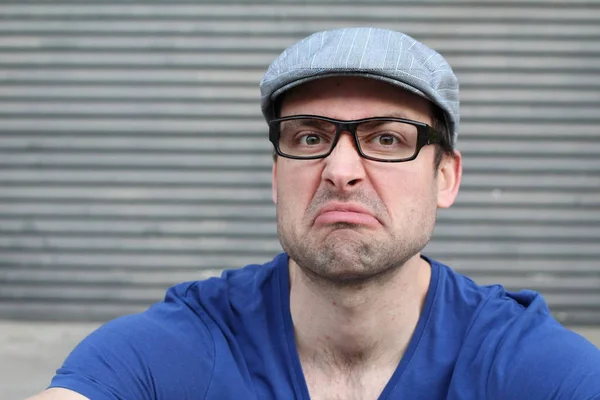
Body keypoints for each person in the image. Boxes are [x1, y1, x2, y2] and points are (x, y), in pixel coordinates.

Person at [29, 27, 600, 400]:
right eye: (308, 138)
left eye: (386, 138)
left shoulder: (525, 365)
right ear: (277, 177)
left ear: (445, 176)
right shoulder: (187, 346)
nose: (340, 169)